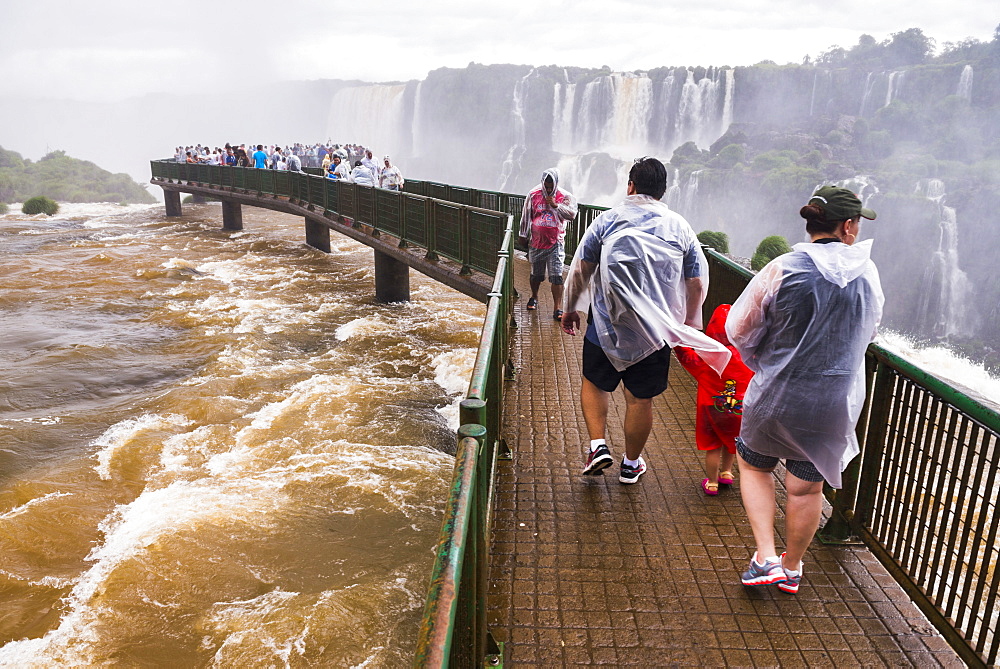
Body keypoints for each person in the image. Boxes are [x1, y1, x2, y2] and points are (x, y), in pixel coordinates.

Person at [727, 185, 883, 594]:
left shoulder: (783, 267)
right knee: (806, 488)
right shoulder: (867, 273)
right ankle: (792, 568)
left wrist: (765, 360)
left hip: (775, 395)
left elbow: (739, 328)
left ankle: (765, 557)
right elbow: (869, 332)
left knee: (755, 467)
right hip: (831, 403)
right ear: (848, 226)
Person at [561, 157, 730, 484]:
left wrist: (570, 308)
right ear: (663, 191)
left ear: (631, 186)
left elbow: (582, 267)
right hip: (656, 331)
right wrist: (691, 323)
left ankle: (597, 446)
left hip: (606, 323)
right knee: (640, 398)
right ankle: (630, 464)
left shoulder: (607, 221)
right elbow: (696, 281)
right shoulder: (680, 227)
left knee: (595, 383)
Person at [674, 304, 753, 495]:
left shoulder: (711, 355)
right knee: (732, 441)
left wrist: (678, 339)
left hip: (712, 408)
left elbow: (688, 358)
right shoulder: (749, 356)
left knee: (713, 445)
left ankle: (711, 482)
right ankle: (726, 472)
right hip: (738, 409)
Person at [518, 169, 578, 320]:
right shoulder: (533, 194)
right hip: (537, 242)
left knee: (556, 276)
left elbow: (572, 215)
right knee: (536, 275)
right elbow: (526, 215)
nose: (549, 189)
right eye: (547, 186)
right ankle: (534, 296)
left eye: (551, 187)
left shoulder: (564, 196)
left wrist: (557, 205)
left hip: (556, 242)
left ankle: (557, 308)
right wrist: (523, 235)